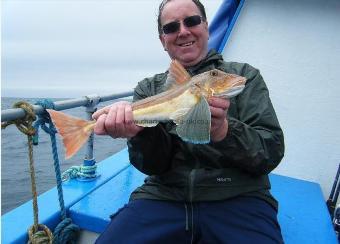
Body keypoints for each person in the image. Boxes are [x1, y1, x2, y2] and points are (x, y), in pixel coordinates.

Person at [93, 0, 285, 243]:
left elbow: (271, 151)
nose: (183, 31)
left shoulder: (244, 77)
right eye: (171, 27)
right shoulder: (148, 89)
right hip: (165, 194)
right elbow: (153, 166)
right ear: (163, 40)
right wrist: (141, 134)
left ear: (206, 27)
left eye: (192, 21)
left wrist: (224, 131)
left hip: (237, 194)